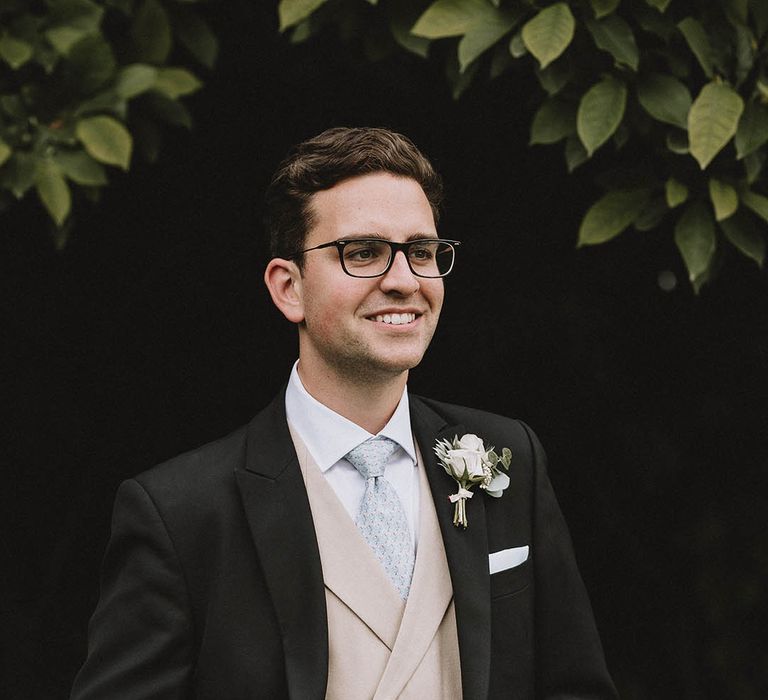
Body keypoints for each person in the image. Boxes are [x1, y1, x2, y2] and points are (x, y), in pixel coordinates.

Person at [71, 127, 617, 699]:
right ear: (289, 288)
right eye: (364, 253)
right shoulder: (181, 513)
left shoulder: (511, 459)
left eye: (423, 253)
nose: (405, 281)